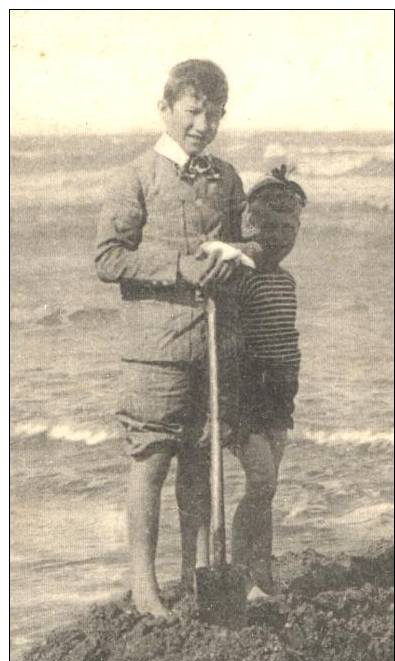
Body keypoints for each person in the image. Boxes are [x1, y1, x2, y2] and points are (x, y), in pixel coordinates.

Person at [95, 59, 261, 616]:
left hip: (216, 345)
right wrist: (180, 267)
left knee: (201, 458)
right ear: (166, 110)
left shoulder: (228, 177)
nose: (203, 124)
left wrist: (234, 259)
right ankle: (144, 586)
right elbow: (108, 257)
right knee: (152, 458)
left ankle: (197, 576)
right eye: (193, 111)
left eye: (214, 114)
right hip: (156, 351)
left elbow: (253, 244)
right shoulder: (136, 175)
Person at [231, 166, 306, 597]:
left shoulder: (286, 281)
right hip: (248, 393)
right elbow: (230, 341)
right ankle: (243, 573)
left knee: (266, 489)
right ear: (253, 228)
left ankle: (262, 572)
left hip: (280, 392)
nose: (281, 237)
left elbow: (286, 340)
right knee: (262, 482)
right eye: (272, 228)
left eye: (290, 228)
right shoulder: (243, 277)